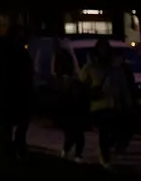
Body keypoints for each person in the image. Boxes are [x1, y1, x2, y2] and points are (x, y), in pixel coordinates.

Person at [78, 38, 135, 169]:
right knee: (104, 130)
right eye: (101, 49)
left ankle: (107, 150)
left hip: (114, 105)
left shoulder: (116, 67)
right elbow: (82, 85)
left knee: (116, 130)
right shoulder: (91, 67)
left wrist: (127, 103)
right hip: (99, 105)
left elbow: (123, 87)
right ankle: (105, 157)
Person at [0, 28, 33, 160]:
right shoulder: (17, 55)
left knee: (9, 125)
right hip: (12, 94)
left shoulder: (6, 55)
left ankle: (10, 148)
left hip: (10, 94)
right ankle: (12, 148)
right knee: (13, 124)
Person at [52, 43, 86, 162]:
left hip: (72, 109)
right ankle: (73, 153)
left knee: (75, 134)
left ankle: (73, 153)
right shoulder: (65, 80)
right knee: (74, 134)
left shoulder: (68, 80)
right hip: (69, 109)